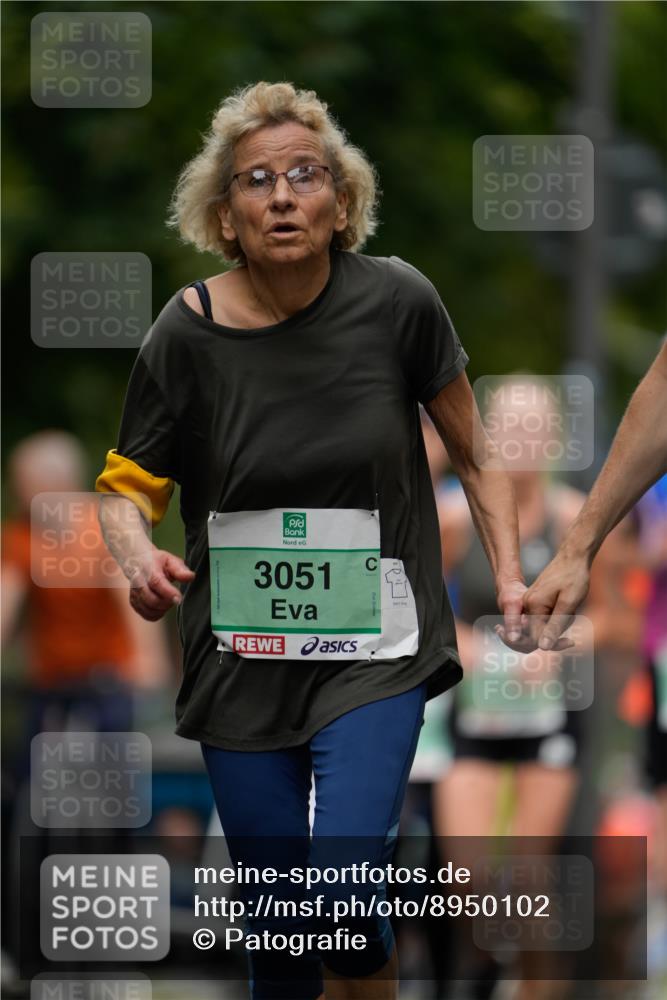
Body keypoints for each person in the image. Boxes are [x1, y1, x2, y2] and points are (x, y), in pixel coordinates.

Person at [95, 81, 527, 1000]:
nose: (282, 195)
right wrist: (136, 554)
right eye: (257, 181)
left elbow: (477, 457)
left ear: (341, 203)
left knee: (334, 891)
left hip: (375, 652)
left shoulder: (398, 303)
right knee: (283, 939)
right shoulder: (185, 333)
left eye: (304, 176)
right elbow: (122, 490)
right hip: (240, 658)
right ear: (225, 214)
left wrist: (513, 578)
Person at [520, 340, 667, 651]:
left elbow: (619, 618)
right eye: (512, 428)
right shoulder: (455, 518)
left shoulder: (570, 514)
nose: (520, 442)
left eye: (531, 428)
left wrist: (552, 654)